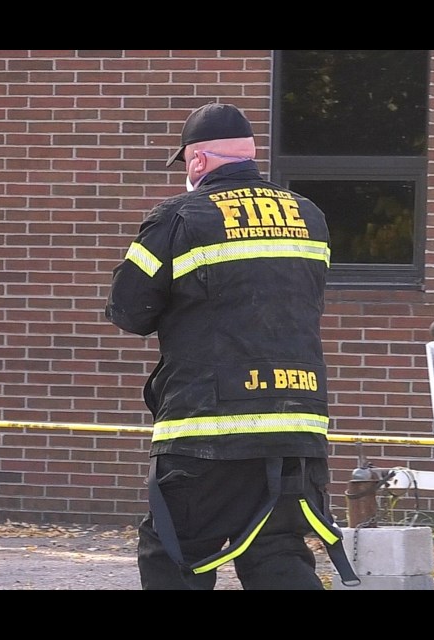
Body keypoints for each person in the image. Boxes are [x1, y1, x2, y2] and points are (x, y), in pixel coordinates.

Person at [105, 102, 359, 590]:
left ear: (196, 161)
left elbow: (129, 310)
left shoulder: (179, 218)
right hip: (296, 427)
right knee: (278, 555)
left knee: (175, 554)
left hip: (208, 430)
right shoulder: (310, 216)